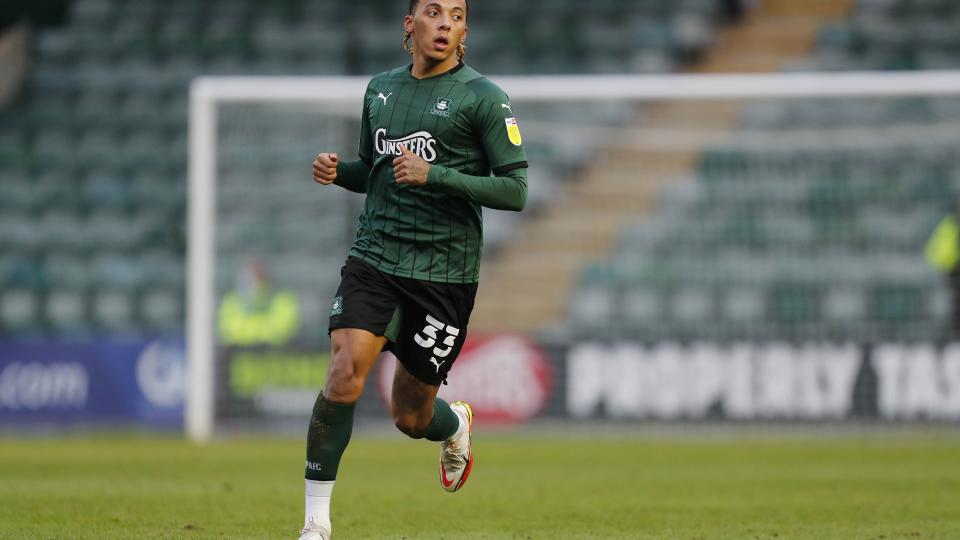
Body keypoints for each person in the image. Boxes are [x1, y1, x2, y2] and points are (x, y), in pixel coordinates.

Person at [300, 0, 528, 538]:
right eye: (433, 11)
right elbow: (377, 171)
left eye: (456, 14)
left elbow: (516, 191)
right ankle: (315, 524)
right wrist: (340, 173)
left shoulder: (485, 100)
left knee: (410, 416)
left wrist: (438, 176)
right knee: (343, 373)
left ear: (465, 28)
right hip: (375, 256)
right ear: (411, 25)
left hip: (444, 272)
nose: (445, 22)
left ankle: (456, 424)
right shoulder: (380, 90)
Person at [218, 260, 300, 347]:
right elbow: (228, 329)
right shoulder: (232, 299)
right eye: (249, 278)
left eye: (258, 276)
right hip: (237, 355)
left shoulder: (283, 298)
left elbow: (283, 330)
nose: (254, 282)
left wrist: (250, 331)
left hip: (276, 354)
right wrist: (262, 330)